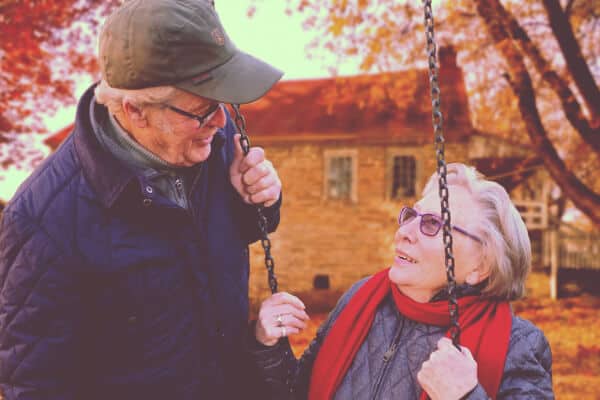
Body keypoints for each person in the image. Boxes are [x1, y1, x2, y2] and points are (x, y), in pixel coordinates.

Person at [0, 0, 283, 398]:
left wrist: (258, 201)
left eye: (222, 104)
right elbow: (33, 385)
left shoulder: (212, 140)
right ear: (135, 110)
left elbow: (220, 239)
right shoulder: (43, 222)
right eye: (202, 112)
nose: (220, 123)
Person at [250, 163, 554, 399]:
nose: (405, 232)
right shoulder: (362, 300)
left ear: (481, 266)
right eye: (412, 216)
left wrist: (466, 397)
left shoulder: (518, 344)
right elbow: (299, 393)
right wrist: (269, 346)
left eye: (433, 224)